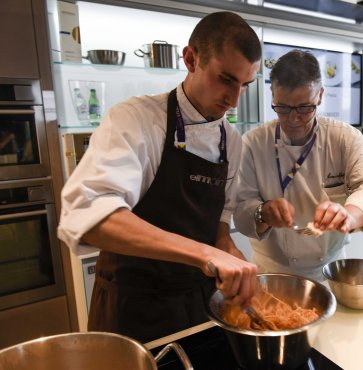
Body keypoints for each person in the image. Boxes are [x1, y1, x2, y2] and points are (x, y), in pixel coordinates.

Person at [57, 11, 261, 343]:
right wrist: (207, 254)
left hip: (199, 306)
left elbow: (221, 216)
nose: (234, 100)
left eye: (244, 85)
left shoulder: (231, 141)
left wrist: (224, 244)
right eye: (225, 79)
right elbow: (90, 216)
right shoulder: (135, 120)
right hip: (133, 309)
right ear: (191, 59)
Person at [233, 50, 363, 281]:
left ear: (320, 96)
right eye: (283, 108)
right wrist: (262, 213)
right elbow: (241, 209)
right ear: (272, 96)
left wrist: (347, 215)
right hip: (273, 273)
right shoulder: (252, 143)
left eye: (305, 108)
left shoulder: (343, 138)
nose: (294, 119)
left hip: (331, 272)